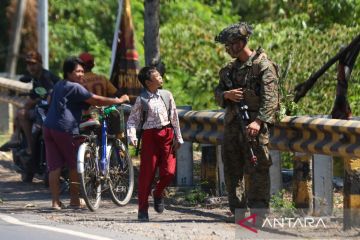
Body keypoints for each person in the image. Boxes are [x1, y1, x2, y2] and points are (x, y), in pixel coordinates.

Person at [43, 56, 129, 210]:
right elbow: (96, 100)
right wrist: (118, 100)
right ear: (68, 73)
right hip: (65, 129)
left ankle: (55, 202)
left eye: (82, 71)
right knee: (74, 164)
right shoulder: (75, 87)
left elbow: (53, 101)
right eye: (78, 71)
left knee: (54, 167)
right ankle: (75, 200)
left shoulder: (60, 85)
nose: (81, 74)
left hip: (48, 127)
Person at [214, 22, 279, 222]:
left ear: (242, 42)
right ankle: (238, 211)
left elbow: (271, 99)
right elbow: (217, 94)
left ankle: (259, 215)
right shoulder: (228, 71)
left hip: (254, 126)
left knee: (258, 168)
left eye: (232, 44)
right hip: (233, 125)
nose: (229, 49)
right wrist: (226, 95)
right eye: (227, 45)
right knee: (232, 168)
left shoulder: (263, 66)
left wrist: (258, 122)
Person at [127, 66, 183, 222]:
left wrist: (178, 137)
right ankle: (142, 210)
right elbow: (132, 120)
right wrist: (132, 135)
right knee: (147, 175)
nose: (160, 77)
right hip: (150, 137)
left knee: (169, 172)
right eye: (157, 76)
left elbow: (174, 118)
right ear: (148, 82)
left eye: (159, 75)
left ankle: (157, 193)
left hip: (167, 135)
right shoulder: (142, 99)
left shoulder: (167, 95)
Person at [0, 51, 60, 156]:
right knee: (20, 112)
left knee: (22, 114)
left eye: (33, 63)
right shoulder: (36, 77)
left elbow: (49, 95)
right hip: (45, 109)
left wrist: (33, 101)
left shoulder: (45, 76)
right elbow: (38, 95)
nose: (30, 66)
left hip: (49, 111)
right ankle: (17, 138)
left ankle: (30, 147)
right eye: (28, 64)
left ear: (40, 63)